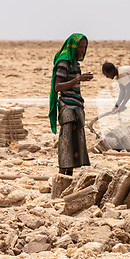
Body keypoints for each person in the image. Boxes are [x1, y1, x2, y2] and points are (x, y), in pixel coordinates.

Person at [49, 33, 93, 176]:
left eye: (84, 47)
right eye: (80, 47)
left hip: (76, 107)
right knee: (66, 143)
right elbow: (58, 87)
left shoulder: (75, 63)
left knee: (75, 145)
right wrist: (78, 79)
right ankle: (62, 177)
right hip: (67, 108)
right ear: (73, 47)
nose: (82, 50)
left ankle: (69, 177)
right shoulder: (64, 62)